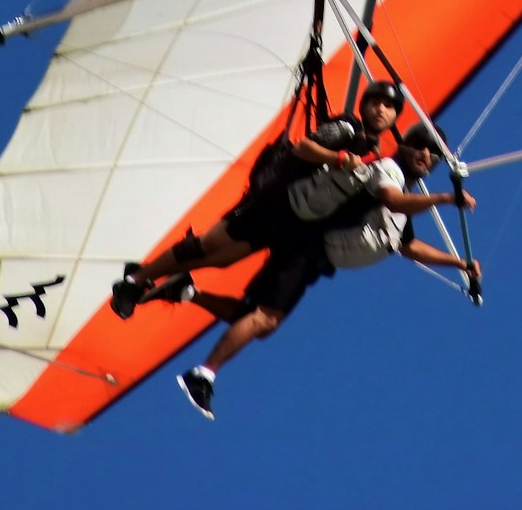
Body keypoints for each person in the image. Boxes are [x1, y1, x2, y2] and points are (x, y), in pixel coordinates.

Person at [170, 122, 480, 419]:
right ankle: (203, 374)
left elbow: (409, 246)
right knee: (265, 317)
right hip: (308, 245)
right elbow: (393, 200)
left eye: (432, 153)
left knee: (260, 321)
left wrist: (461, 265)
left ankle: (186, 290)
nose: (426, 155)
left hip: (313, 256)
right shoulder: (389, 171)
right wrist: (445, 198)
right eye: (420, 146)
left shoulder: (403, 195)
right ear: (404, 147)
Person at [110, 80, 407, 318]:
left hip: (288, 216)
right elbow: (304, 148)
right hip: (275, 194)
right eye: (375, 102)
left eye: (389, 107)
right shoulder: (348, 129)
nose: (380, 110)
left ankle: (152, 279)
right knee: (210, 243)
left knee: (223, 258)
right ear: (364, 105)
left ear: (395, 116)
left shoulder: (375, 153)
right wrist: (339, 157)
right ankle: (135, 280)